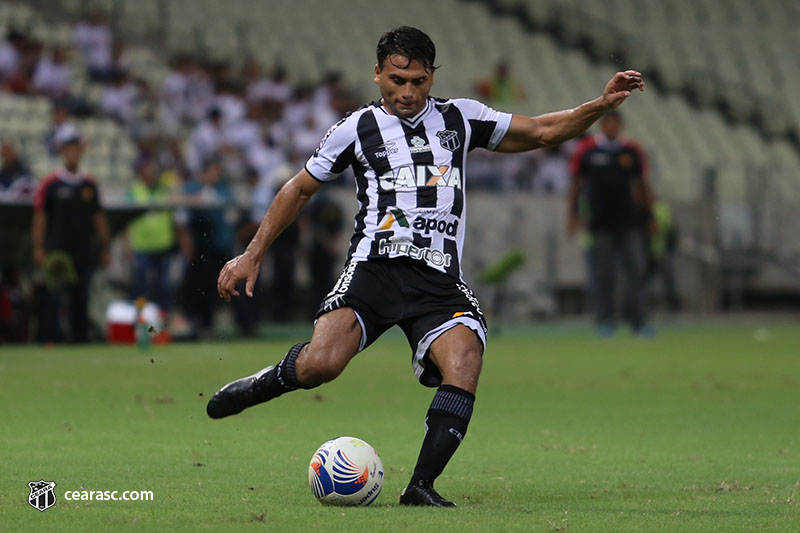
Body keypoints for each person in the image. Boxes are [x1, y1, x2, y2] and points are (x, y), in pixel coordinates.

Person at [208, 26, 644, 507]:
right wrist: (252, 253)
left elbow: (542, 130)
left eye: (418, 80)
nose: (408, 91)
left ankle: (420, 486)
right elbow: (298, 189)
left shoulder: (461, 118)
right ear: (377, 74)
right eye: (397, 80)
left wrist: (600, 105)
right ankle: (259, 384)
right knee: (321, 365)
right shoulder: (356, 128)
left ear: (432, 76)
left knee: (466, 359)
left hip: (438, 277)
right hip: (374, 266)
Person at [567, 111, 654, 337]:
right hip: (599, 224)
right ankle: (605, 321)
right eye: (608, 124)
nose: (612, 128)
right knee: (603, 276)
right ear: (603, 126)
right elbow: (576, 185)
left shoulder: (632, 151)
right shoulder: (587, 150)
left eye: (616, 124)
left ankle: (638, 321)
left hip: (629, 223)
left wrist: (649, 216)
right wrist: (573, 214)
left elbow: (642, 185)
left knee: (636, 273)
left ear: (620, 126)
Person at [32, 124, 111, 342]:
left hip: (84, 252)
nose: (73, 153)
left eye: (76, 148)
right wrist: (38, 248)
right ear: (61, 152)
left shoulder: (89, 184)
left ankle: (79, 341)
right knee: (54, 298)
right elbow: (40, 218)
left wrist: (105, 247)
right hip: (58, 252)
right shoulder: (51, 184)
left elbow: (99, 217)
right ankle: (50, 339)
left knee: (81, 299)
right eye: (69, 149)